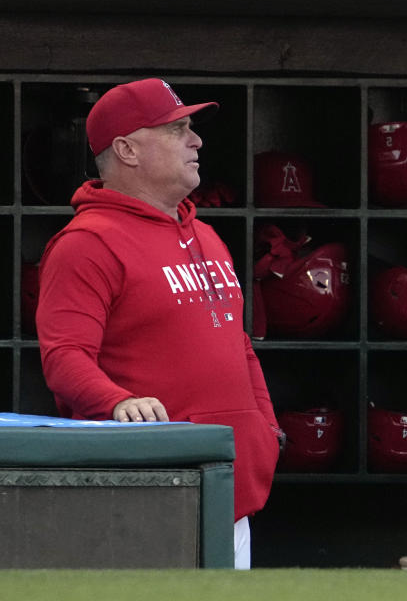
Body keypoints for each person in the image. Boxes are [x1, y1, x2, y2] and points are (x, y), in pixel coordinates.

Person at [35, 78, 284, 570]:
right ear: (126, 149)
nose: (197, 141)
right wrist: (118, 401)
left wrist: (265, 426)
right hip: (147, 498)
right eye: (176, 130)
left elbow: (240, 347)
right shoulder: (86, 242)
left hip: (230, 495)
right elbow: (63, 357)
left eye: (191, 128)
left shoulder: (208, 235)